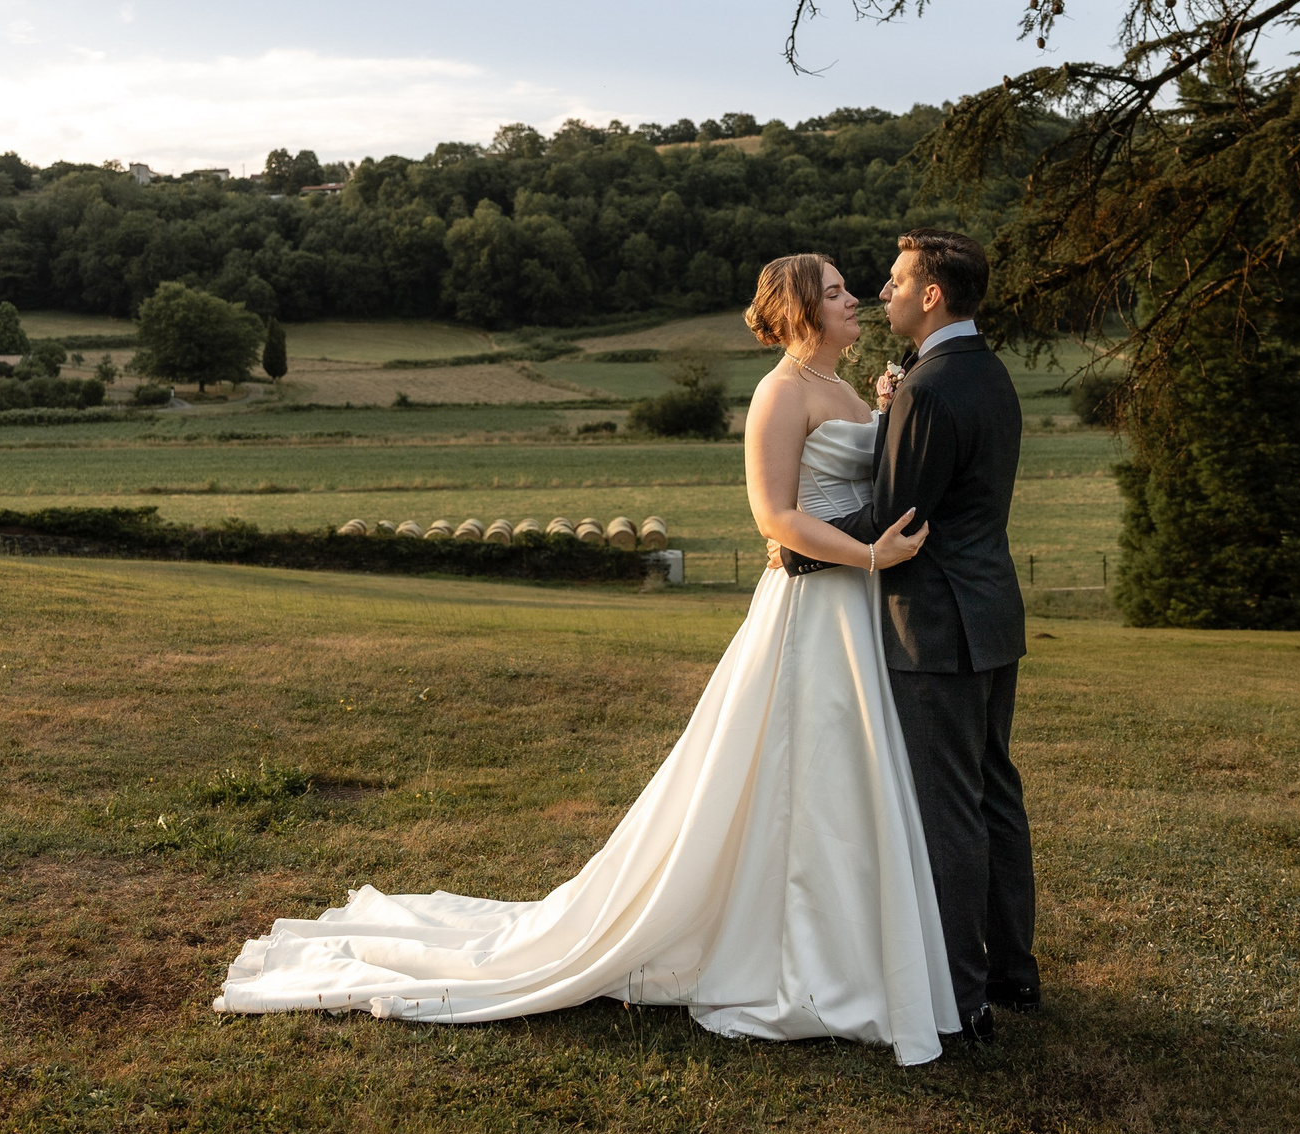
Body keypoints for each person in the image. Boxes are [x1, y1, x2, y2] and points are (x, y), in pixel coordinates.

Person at [212, 254, 963, 1063]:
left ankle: (850, 951)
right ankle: (796, 955)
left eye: (850, 289)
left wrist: (885, 416)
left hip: (854, 608)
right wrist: (869, 554)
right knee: (799, 771)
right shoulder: (779, 393)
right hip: (813, 607)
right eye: (837, 291)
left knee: (846, 773)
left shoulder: (845, 389)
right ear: (803, 310)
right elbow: (773, 516)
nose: (856, 299)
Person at [780, 228, 1036, 1031]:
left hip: (935, 623)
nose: (881, 291)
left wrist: (799, 550)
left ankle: (962, 996)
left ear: (931, 294)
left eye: (895, 280)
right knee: (995, 792)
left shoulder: (929, 386)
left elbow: (899, 514)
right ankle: (1014, 973)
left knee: (948, 806)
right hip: (992, 612)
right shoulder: (987, 370)